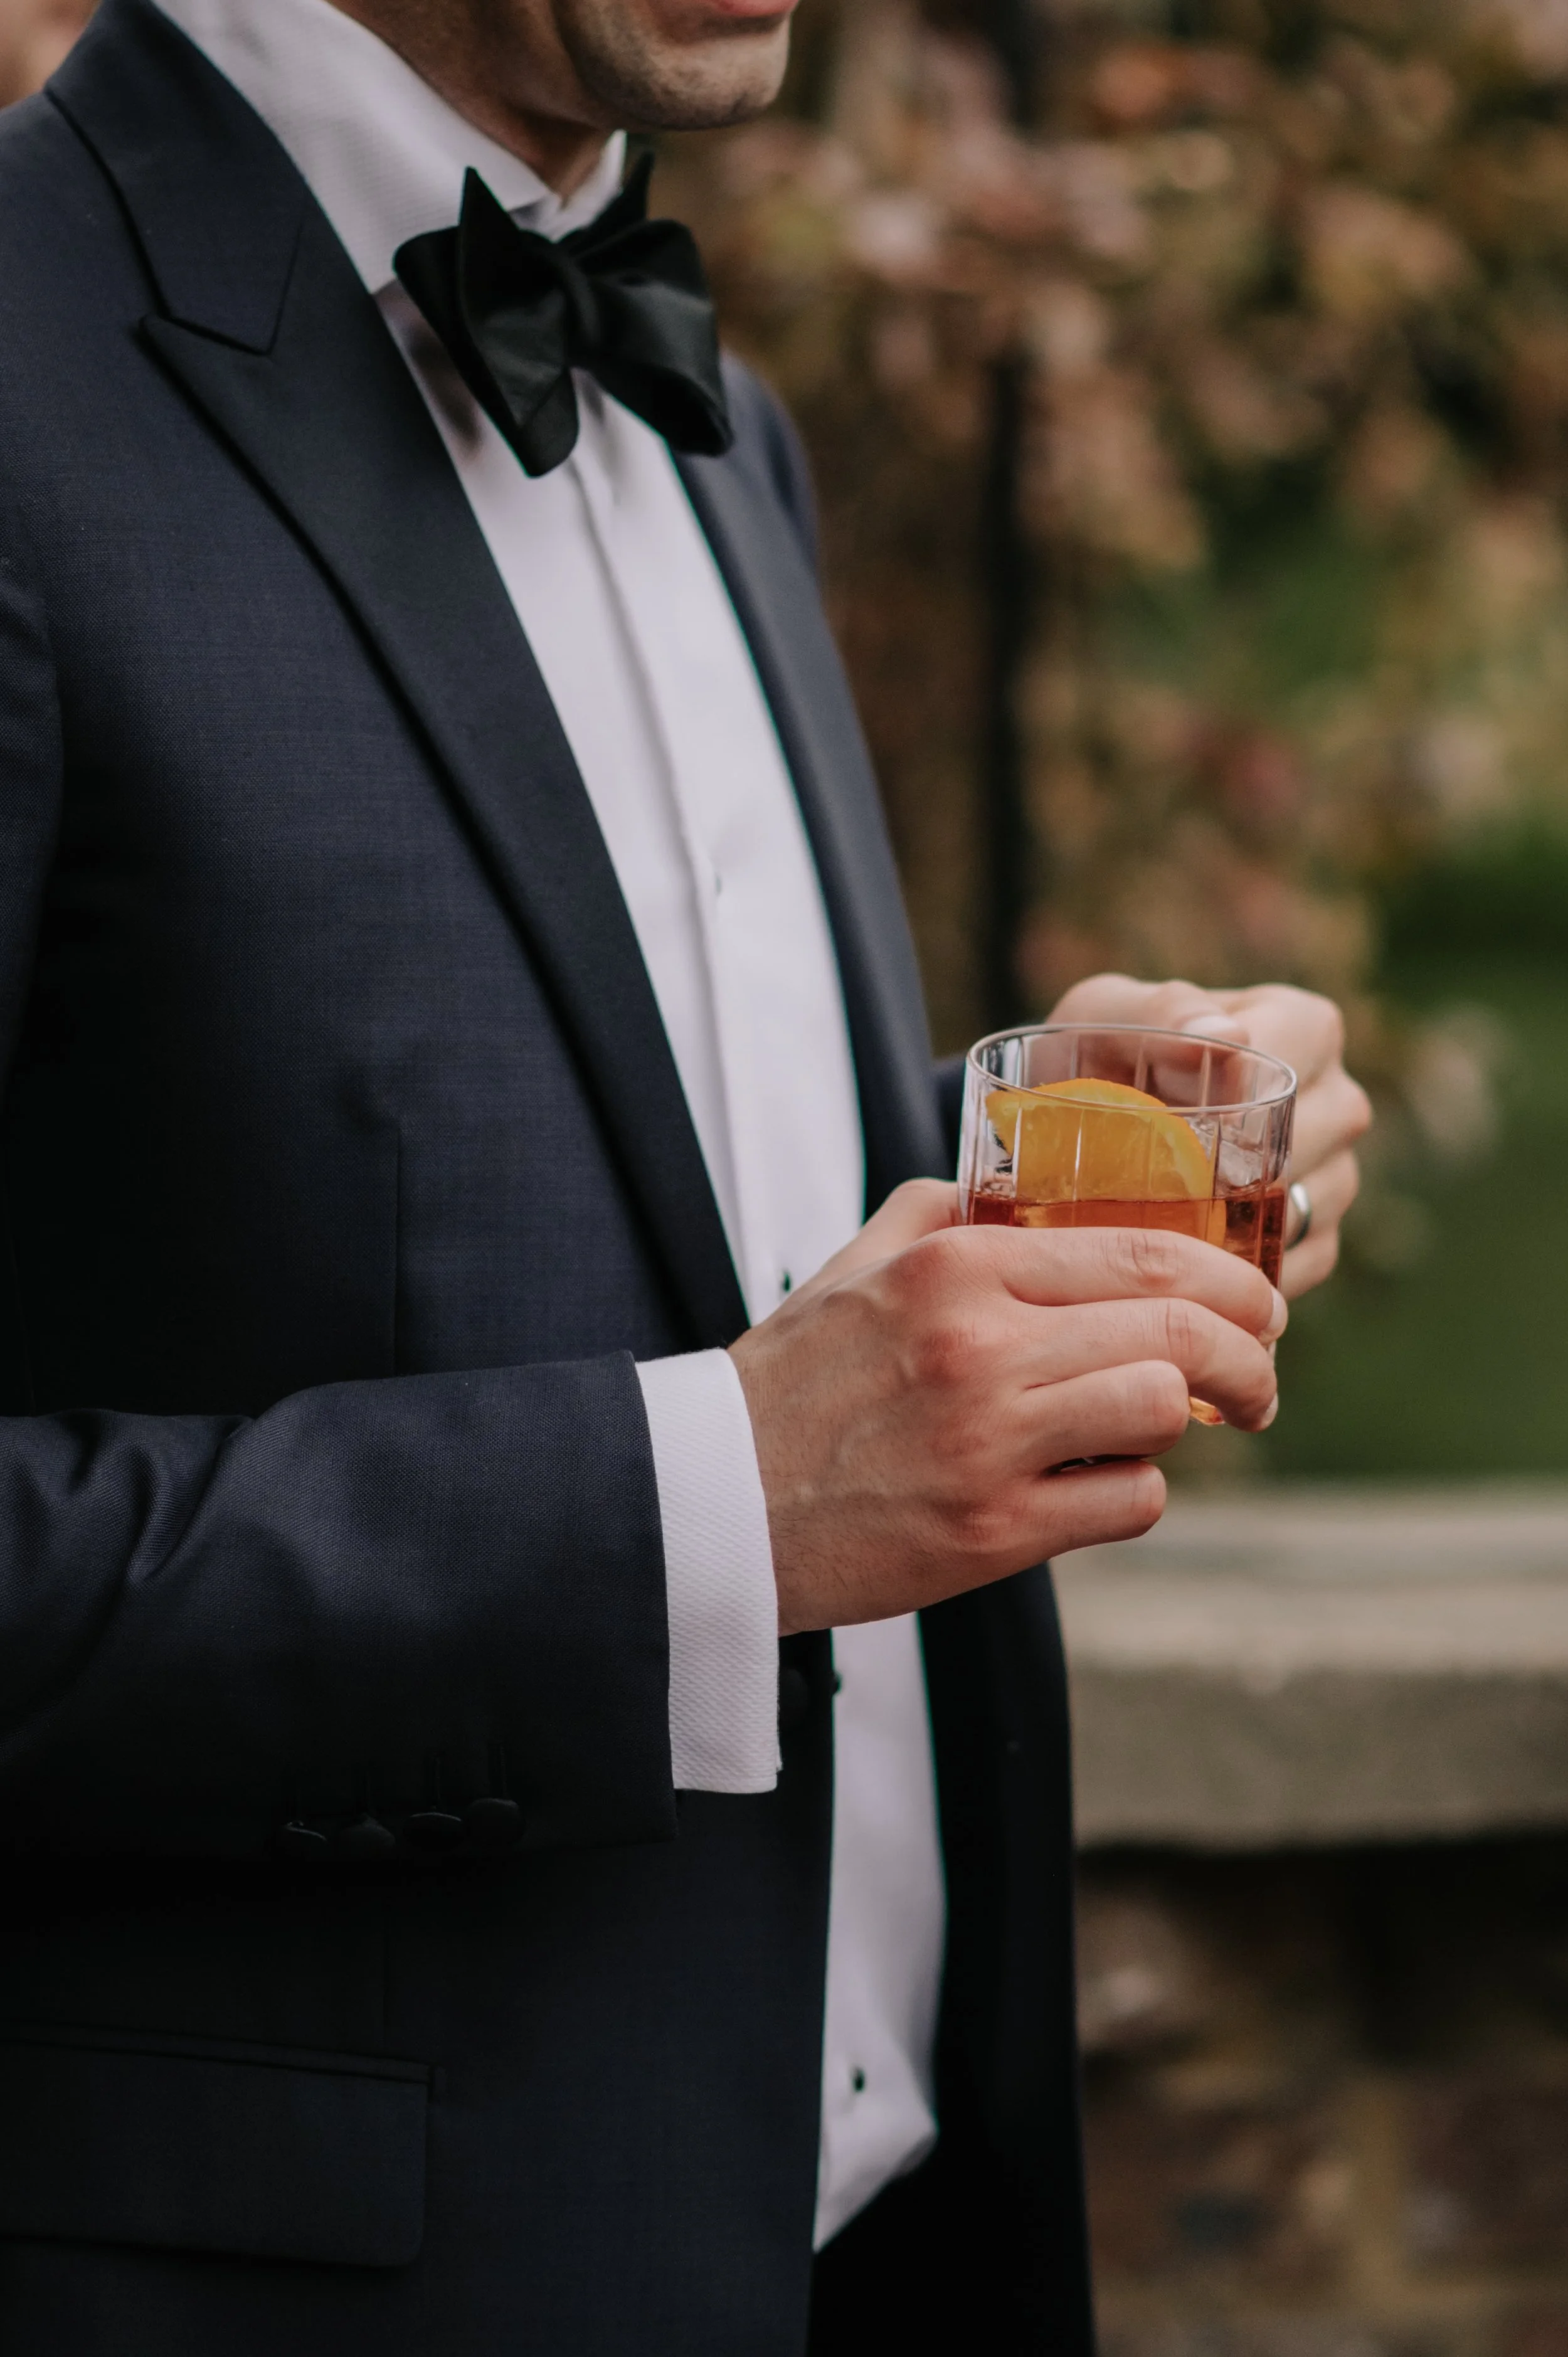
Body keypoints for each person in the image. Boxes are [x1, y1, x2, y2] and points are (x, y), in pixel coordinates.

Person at [0, 0, 1369, 2348]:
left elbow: (561, 1162)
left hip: (891, 2235)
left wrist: (1068, 1150)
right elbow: (725, 1432)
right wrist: (706, 1507)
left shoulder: (732, 430)